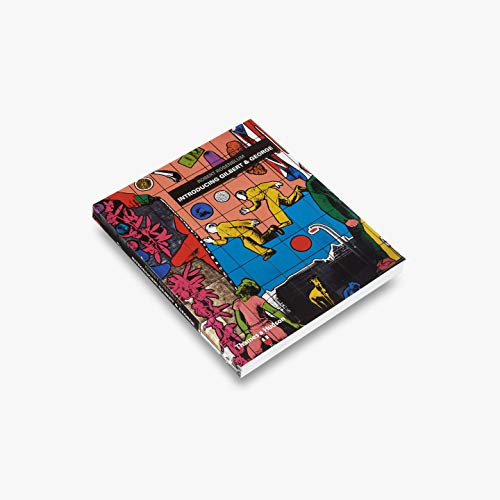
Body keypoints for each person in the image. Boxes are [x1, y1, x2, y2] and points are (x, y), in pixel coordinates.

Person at [232, 278, 302, 359]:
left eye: (241, 285)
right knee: (253, 353)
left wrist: (291, 323)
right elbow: (239, 320)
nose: (238, 286)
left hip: (267, 325)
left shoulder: (255, 299)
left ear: (246, 289)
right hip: (253, 331)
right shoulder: (237, 303)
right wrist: (247, 333)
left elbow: (273, 311)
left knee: (283, 338)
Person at [236, 181, 304, 228]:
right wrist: (248, 210)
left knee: (273, 208)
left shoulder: (250, 192)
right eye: (240, 198)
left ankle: (286, 221)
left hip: (270, 193)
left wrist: (274, 183)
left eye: (240, 197)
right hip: (269, 195)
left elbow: (261, 186)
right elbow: (257, 204)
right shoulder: (249, 198)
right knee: (288, 202)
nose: (241, 199)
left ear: (243, 193)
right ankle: (298, 191)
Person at [202, 220, 279, 260]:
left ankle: (271, 230)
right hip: (243, 236)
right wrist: (213, 241)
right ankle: (268, 252)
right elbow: (224, 241)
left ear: (212, 226)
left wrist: (250, 222)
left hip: (248, 231)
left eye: (209, 230)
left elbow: (236, 223)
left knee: (261, 241)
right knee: (248, 245)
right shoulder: (220, 234)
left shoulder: (222, 225)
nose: (210, 232)